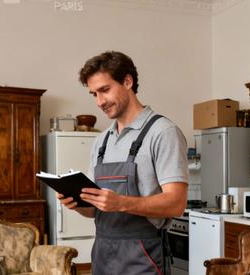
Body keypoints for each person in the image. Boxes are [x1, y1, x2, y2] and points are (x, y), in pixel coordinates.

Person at [58, 51, 188, 275]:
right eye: (94, 94)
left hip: (143, 255)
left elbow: (176, 203)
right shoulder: (101, 141)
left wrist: (121, 202)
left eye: (105, 90)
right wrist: (79, 204)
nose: (99, 102)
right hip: (102, 253)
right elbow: (96, 210)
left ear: (128, 81)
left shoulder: (163, 132)